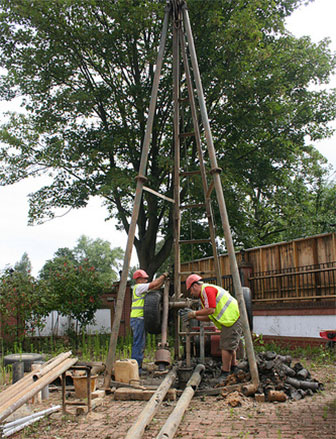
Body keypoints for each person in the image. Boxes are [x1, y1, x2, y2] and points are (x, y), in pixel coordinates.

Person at [182, 274, 242, 382]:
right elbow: (210, 316)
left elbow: (210, 310)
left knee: (225, 347)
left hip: (231, 318)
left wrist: (194, 313)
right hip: (232, 318)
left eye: (190, 290)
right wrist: (194, 317)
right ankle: (234, 369)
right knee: (230, 346)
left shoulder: (207, 290)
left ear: (195, 286)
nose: (191, 293)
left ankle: (225, 373)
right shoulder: (206, 292)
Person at [130, 269, 168, 375]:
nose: (146, 280)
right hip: (138, 319)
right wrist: (164, 275)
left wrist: (163, 281)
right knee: (138, 344)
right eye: (145, 278)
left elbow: (156, 287)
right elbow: (153, 284)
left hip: (139, 319)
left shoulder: (141, 289)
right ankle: (136, 369)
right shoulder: (138, 287)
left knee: (140, 344)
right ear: (139, 279)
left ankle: (138, 367)